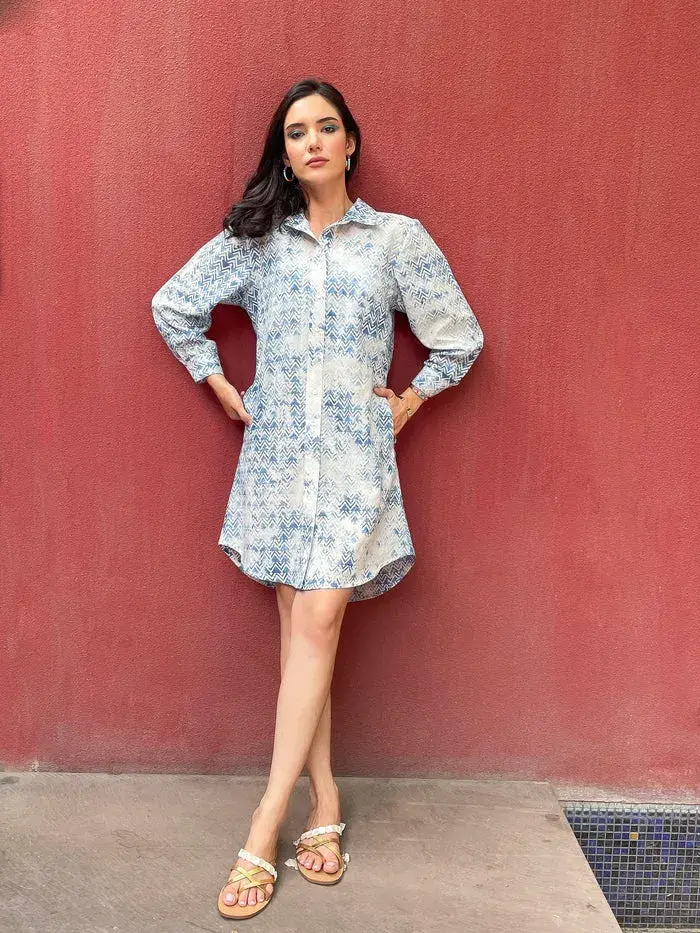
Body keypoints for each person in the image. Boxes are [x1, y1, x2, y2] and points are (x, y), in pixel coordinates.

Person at [151, 77, 484, 920]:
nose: (311, 142)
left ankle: (264, 825)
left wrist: (408, 400)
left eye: (325, 127)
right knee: (308, 638)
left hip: (353, 467)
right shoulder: (257, 242)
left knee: (319, 621)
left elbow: (460, 337)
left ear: (350, 142)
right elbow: (174, 305)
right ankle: (325, 800)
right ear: (286, 153)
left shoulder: (397, 240)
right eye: (296, 132)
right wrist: (218, 380)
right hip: (276, 465)